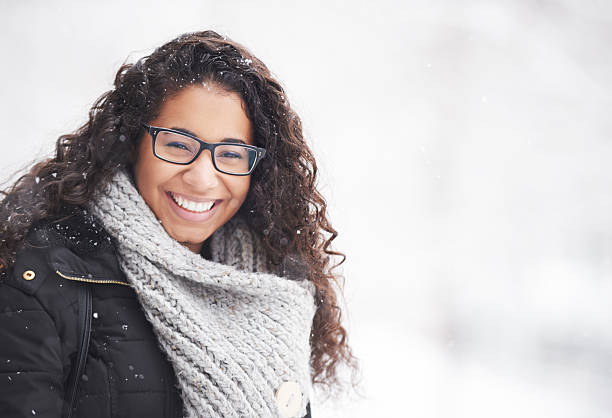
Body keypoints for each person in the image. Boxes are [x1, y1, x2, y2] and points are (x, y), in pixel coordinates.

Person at [0, 30, 358, 418]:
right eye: (178, 145)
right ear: (131, 140)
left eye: (233, 154)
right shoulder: (46, 276)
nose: (203, 179)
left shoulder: (271, 287)